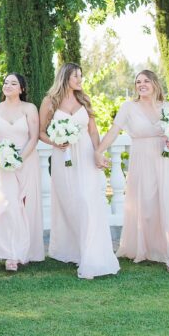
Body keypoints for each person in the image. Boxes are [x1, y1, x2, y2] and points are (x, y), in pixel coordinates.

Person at [39, 62, 119, 279]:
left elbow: (93, 131)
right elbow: (41, 133)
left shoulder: (84, 99)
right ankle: (74, 249)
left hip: (84, 154)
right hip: (62, 157)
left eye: (81, 76)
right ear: (65, 77)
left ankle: (91, 253)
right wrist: (56, 141)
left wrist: (98, 152)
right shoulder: (50, 101)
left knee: (87, 200)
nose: (80, 80)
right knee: (70, 203)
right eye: (76, 76)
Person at [95, 69, 169, 275]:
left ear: (155, 84)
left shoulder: (168, 107)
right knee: (147, 206)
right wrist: (99, 151)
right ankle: (148, 247)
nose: (141, 84)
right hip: (142, 161)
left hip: (167, 161)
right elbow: (114, 131)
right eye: (138, 81)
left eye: (146, 81)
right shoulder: (128, 107)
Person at [0, 73, 44, 271]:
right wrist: (1, 158)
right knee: (8, 202)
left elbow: (34, 137)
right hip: (3, 163)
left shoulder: (29, 108)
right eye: (5, 82)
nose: (8, 85)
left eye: (13, 83)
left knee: (25, 203)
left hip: (27, 160)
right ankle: (10, 253)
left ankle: (24, 250)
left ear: (22, 89)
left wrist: (19, 158)